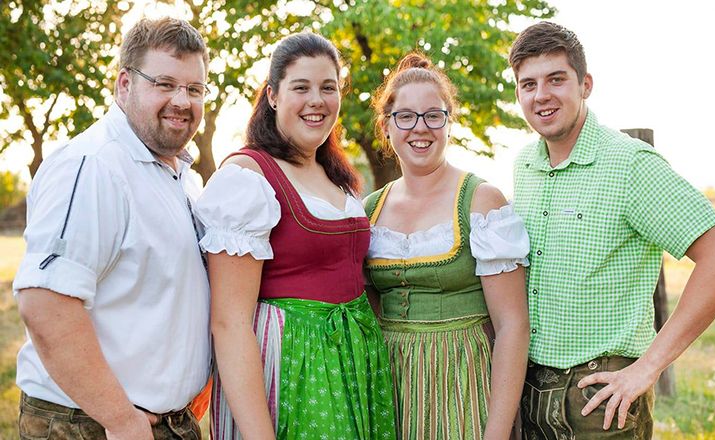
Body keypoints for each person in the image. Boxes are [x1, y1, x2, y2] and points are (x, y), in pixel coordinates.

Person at [509, 21, 715, 439]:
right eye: (527, 84)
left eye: (556, 79)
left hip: (601, 401)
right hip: (530, 393)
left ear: (585, 84)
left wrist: (648, 367)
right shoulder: (525, 166)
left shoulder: (630, 165)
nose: (541, 95)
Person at [13, 17, 211, 440]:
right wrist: (121, 420)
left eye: (195, 89)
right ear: (124, 85)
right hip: (91, 424)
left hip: (162, 422)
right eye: (164, 83)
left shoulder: (184, 178)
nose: (182, 100)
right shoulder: (93, 166)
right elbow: (45, 305)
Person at [195, 32, 396, 439]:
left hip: (352, 364)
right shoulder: (249, 178)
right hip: (291, 368)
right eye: (300, 87)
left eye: (328, 87)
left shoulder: (335, 176)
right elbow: (229, 323)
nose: (316, 101)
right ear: (272, 95)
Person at [364, 52, 531, 440]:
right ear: (386, 126)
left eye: (433, 115)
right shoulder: (370, 209)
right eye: (405, 116)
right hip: (391, 387)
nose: (419, 128)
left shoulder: (481, 200)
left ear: (448, 124)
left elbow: (512, 325)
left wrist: (497, 431)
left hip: (464, 382)